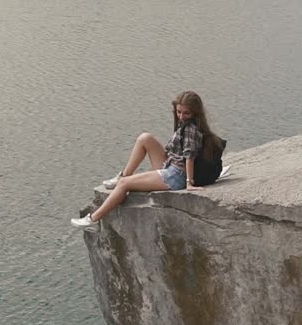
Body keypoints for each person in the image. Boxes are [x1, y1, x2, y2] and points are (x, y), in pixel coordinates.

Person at [71, 91, 219, 232]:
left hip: (176, 175)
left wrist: (189, 183)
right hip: (170, 165)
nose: (181, 116)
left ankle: (93, 219)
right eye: (178, 112)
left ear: (195, 112)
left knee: (125, 185)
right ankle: (123, 175)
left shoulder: (191, 129)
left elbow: (189, 156)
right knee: (145, 138)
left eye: (186, 113)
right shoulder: (185, 125)